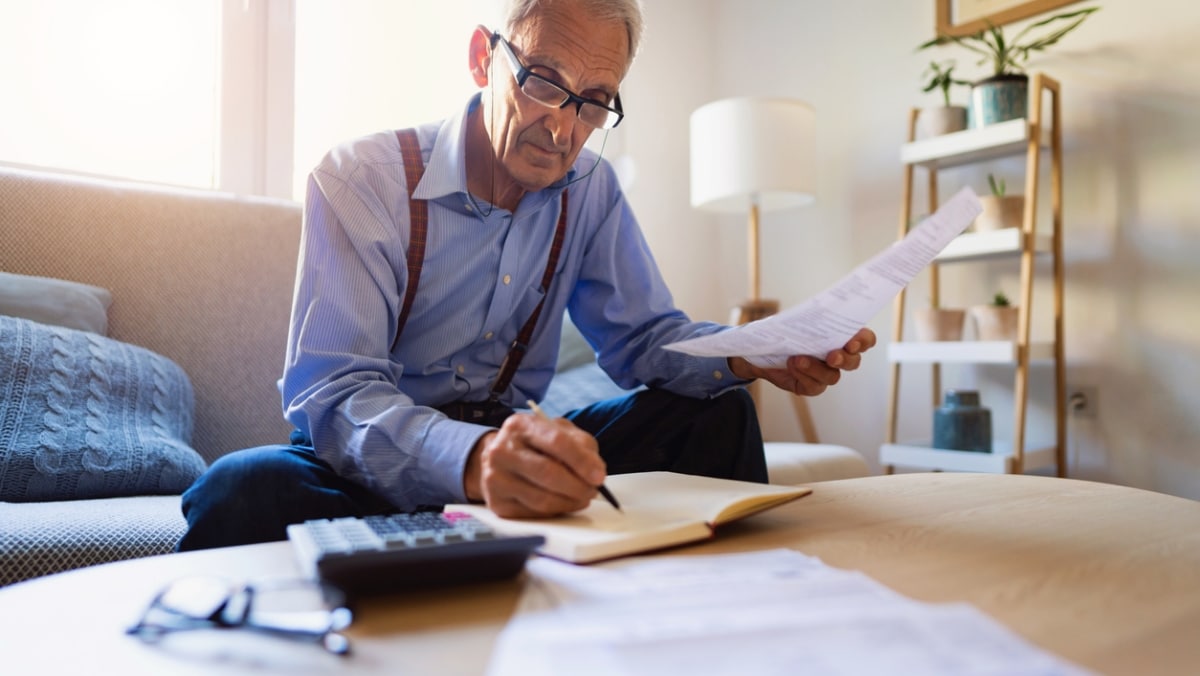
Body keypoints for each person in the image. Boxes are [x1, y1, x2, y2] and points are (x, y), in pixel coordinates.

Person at [176, 0, 875, 551]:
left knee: (716, 416)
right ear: (484, 59)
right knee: (242, 489)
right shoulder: (362, 179)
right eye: (545, 81)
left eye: (595, 101)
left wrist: (757, 351)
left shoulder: (590, 189)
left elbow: (645, 341)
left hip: (517, 461)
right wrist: (473, 459)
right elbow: (335, 393)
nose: (564, 129)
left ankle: (719, 616)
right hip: (371, 462)